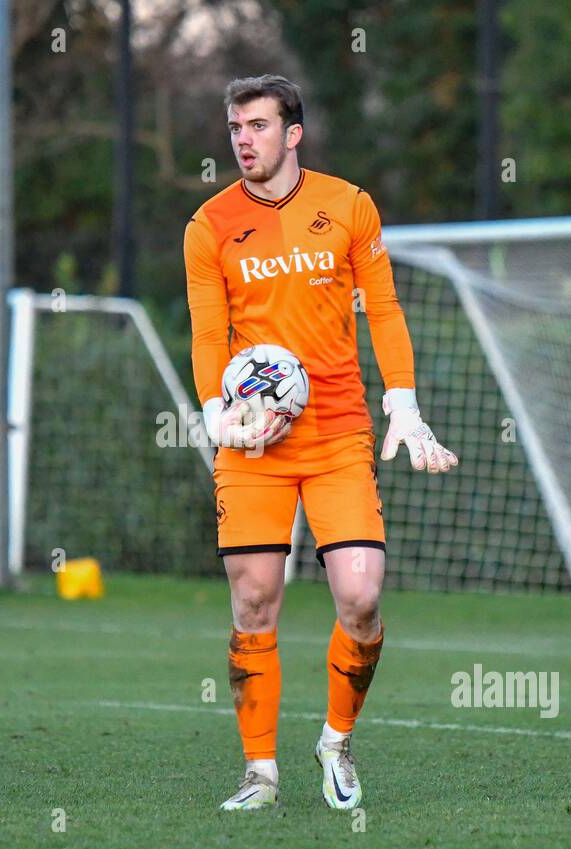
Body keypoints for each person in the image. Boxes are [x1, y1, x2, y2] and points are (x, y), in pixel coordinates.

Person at [183, 74, 458, 811]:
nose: (244, 139)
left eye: (259, 126)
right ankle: (259, 775)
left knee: (362, 599)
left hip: (337, 430)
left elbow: (385, 308)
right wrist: (217, 416)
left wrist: (404, 405)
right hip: (253, 441)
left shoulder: (348, 207)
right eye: (236, 126)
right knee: (254, 597)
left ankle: (336, 739)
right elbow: (210, 331)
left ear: (293, 132)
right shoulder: (208, 225)